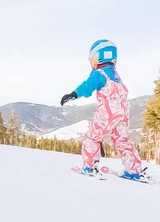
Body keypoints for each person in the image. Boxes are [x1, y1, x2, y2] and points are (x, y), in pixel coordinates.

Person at [60, 39, 150, 182]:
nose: (92, 63)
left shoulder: (99, 73)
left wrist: (73, 94)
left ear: (100, 57)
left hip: (107, 112)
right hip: (124, 113)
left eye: (93, 59)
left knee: (92, 137)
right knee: (122, 140)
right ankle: (133, 170)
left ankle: (90, 166)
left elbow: (87, 86)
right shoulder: (116, 76)